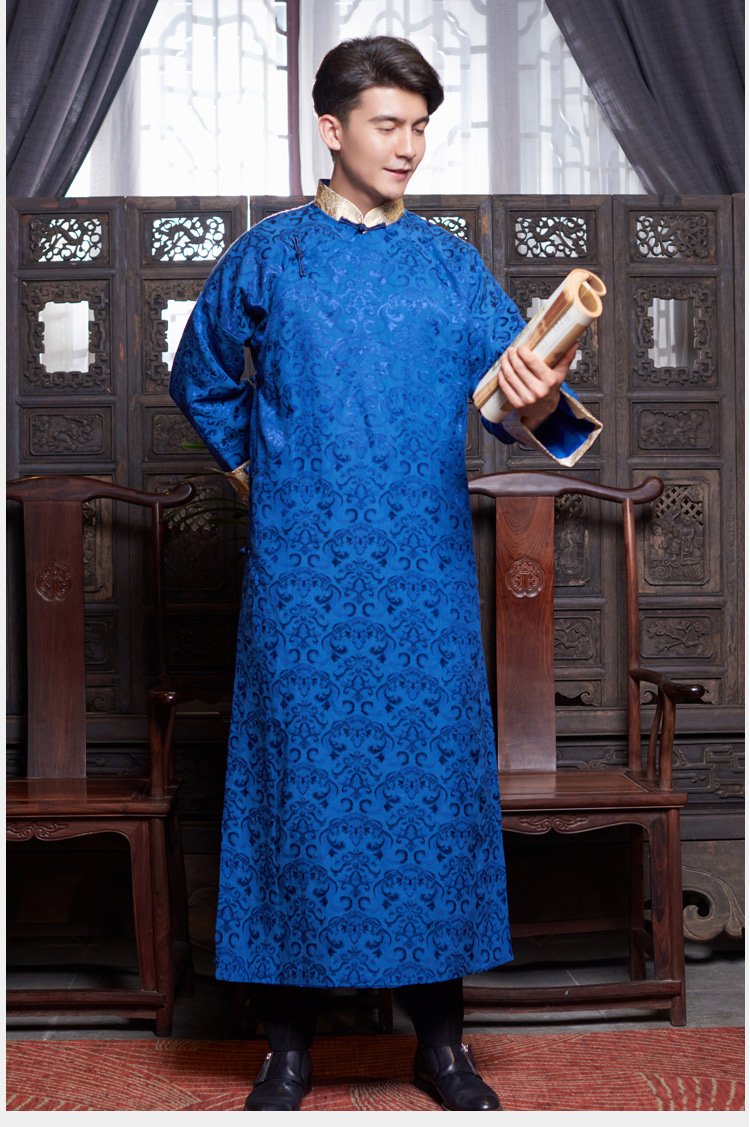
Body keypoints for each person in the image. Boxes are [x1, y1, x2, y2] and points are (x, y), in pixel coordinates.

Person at [170, 35, 602, 1113]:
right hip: (301, 576)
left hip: (423, 574)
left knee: (430, 796)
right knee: (295, 790)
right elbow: (200, 373)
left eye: (420, 127)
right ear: (332, 129)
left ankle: (442, 1044)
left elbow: (515, 405)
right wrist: (260, 476)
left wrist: (541, 377)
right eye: (388, 124)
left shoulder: (450, 266)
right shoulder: (270, 256)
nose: (409, 145)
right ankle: (287, 1049)